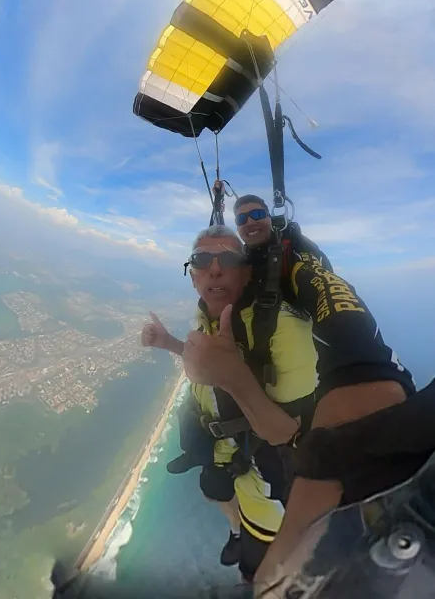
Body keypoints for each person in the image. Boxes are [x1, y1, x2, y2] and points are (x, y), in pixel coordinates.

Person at [217, 194, 417, 589]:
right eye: (242, 218)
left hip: (293, 412)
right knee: (220, 479)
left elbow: (334, 297)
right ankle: (243, 538)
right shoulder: (238, 263)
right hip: (245, 402)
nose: (251, 222)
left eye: (258, 214)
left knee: (282, 492)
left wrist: (364, 370)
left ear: (270, 220)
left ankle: (261, 566)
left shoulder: (294, 260)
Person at [142, 224, 319, 582]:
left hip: (266, 502)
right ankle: (235, 530)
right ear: (193, 276)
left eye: (227, 259)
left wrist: (234, 378)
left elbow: (293, 436)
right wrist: (170, 344)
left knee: (256, 576)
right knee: (213, 494)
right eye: (203, 260)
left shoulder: (284, 332)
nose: (215, 268)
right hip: (218, 451)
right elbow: (210, 361)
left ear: (247, 271)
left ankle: (246, 541)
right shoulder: (207, 315)